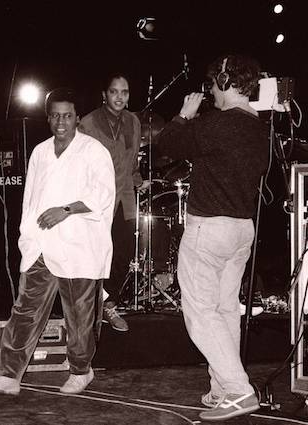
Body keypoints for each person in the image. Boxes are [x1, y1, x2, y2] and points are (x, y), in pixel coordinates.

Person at [0, 87, 115, 396]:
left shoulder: (93, 150)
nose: (61, 122)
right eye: (55, 115)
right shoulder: (40, 151)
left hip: (80, 247)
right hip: (42, 245)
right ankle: (10, 375)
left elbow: (103, 195)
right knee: (25, 310)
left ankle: (81, 371)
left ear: (77, 118)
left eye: (67, 116)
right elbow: (30, 199)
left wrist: (66, 210)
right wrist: (27, 235)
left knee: (80, 316)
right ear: (48, 118)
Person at [158, 54, 268, 421]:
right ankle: (222, 387)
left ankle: (238, 390)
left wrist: (184, 114)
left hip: (210, 229)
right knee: (224, 311)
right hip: (241, 230)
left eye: (212, 86)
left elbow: (169, 144)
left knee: (201, 312)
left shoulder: (218, 124)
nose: (210, 94)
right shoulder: (259, 127)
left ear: (223, 80)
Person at [79, 73, 148, 331]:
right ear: (104, 95)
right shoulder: (88, 122)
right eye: (114, 92)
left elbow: (133, 161)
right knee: (95, 253)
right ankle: (88, 309)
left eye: (125, 92)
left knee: (124, 252)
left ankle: (108, 303)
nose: (120, 97)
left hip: (125, 198)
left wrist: (138, 178)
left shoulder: (133, 121)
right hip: (98, 198)